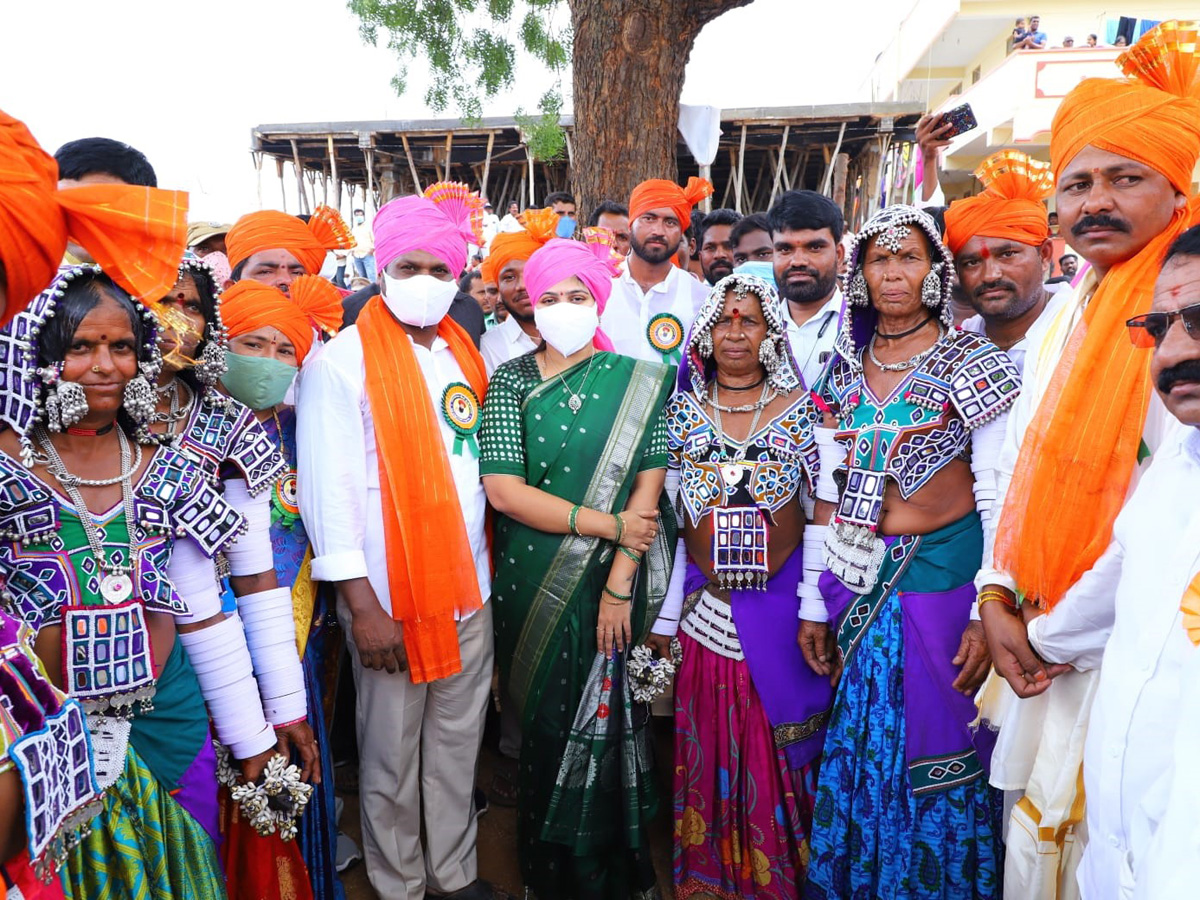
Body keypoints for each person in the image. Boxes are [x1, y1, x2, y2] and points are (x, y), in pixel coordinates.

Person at [975, 24, 1200, 896]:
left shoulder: (1173, 320)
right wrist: (995, 589)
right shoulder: (1069, 312)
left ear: (1175, 187)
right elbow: (1020, 470)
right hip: (1038, 635)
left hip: (1122, 649)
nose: (1095, 201)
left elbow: (1160, 523)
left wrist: (1038, 633)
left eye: (1125, 177)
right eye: (1077, 183)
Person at [0, 266, 296, 899]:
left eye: (122, 347)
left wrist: (266, 714)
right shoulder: (6, 465)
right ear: (42, 355)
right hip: (43, 726)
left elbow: (236, 581)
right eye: (80, 347)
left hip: (169, 713)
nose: (104, 365)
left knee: (182, 871)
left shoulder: (169, 463)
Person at [801, 205, 1018, 899]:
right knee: (865, 737)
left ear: (935, 272)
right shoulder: (841, 370)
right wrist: (812, 602)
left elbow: (999, 492)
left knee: (941, 732)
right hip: (856, 577)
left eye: (910, 258)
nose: (893, 273)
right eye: (878, 259)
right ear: (859, 273)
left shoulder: (975, 361)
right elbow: (825, 498)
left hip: (944, 583)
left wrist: (991, 607)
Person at [297, 186, 495, 900]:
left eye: (441, 270)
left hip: (471, 587)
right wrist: (362, 602)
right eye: (410, 267)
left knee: (455, 743)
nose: (427, 283)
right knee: (387, 753)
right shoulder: (340, 364)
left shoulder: (461, 354)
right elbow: (328, 492)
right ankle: (401, 883)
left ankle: (455, 871)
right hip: (390, 594)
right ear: (382, 270)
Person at [479, 236, 673, 899]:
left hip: (610, 582)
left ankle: (608, 874)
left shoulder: (641, 381)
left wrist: (620, 584)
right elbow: (505, 491)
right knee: (543, 729)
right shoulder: (507, 380)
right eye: (549, 298)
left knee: (607, 724)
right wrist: (607, 525)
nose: (563, 308)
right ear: (532, 303)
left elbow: (648, 486)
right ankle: (547, 878)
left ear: (599, 300)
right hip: (532, 583)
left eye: (577, 296)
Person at [649, 271, 833, 898]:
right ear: (705, 332)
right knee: (708, 751)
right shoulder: (679, 415)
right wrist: (667, 621)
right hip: (706, 614)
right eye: (724, 319)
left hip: (783, 617)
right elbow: (672, 527)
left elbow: (819, 518)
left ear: (770, 335)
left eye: (749, 320)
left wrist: (812, 606)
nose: (735, 331)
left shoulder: (805, 415)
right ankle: (712, 881)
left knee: (777, 755)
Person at [218, 276, 353, 900]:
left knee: (299, 758)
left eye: (284, 350)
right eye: (253, 344)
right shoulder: (190, 433)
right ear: (223, 346)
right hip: (212, 640)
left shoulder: (306, 428)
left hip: (300, 633)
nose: (269, 362)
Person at [943, 151, 1071, 371]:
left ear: (1045, 255)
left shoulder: (1080, 328)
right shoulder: (958, 344)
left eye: (1007, 254)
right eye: (971, 263)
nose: (991, 275)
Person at [602, 177, 712, 364]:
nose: (658, 231)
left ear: (681, 232)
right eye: (649, 219)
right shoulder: (600, 285)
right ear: (631, 224)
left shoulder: (703, 297)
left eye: (670, 222)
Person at [767, 190, 845, 390]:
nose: (798, 261)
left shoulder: (864, 324)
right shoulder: (756, 326)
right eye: (785, 249)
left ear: (839, 254)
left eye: (815, 247)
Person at [478, 208, 557, 373]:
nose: (521, 285)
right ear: (499, 288)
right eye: (509, 277)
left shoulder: (579, 331)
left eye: (531, 273)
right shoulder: (489, 347)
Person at [225, 205, 354, 290]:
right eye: (265, 272)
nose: (286, 281)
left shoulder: (343, 323)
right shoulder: (210, 328)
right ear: (232, 286)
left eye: (297, 273)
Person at [694, 207, 741, 286]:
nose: (719, 255)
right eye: (710, 248)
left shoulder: (764, 295)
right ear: (700, 256)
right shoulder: (690, 297)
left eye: (729, 246)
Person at [350, 208, 375, 278]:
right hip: (357, 256)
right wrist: (352, 251)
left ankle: (374, 289)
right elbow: (352, 241)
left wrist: (372, 249)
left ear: (363, 216)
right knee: (362, 278)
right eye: (357, 215)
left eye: (360, 215)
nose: (359, 217)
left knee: (371, 276)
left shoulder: (368, 227)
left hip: (367, 255)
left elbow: (374, 239)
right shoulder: (354, 229)